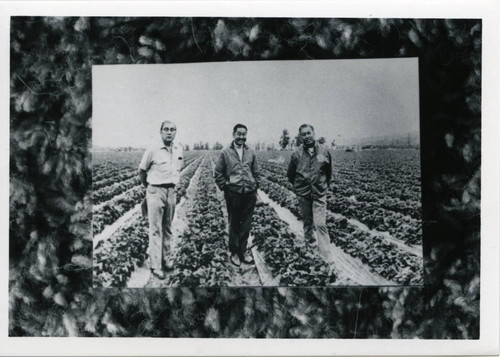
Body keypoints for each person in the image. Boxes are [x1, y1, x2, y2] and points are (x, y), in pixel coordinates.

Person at [138, 120, 183, 279]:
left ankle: (167, 260)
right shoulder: (153, 149)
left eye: (172, 129)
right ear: (161, 131)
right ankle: (156, 266)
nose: (169, 132)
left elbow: (177, 170)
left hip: (171, 191)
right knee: (156, 229)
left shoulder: (179, 149)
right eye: (166, 129)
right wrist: (149, 189)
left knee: (168, 227)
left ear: (175, 132)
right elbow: (142, 171)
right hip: (155, 190)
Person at [214, 123, 260, 267]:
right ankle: (234, 252)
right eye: (239, 134)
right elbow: (218, 173)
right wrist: (225, 187)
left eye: (244, 134)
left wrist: (254, 186)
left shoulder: (251, 152)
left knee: (246, 223)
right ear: (233, 134)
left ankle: (243, 251)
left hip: (249, 193)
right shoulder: (225, 152)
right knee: (234, 223)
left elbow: (256, 171)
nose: (241, 137)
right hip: (233, 193)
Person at [287, 124, 333, 251]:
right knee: (307, 223)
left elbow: (328, 171)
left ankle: (325, 255)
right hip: (304, 194)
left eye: (308, 133)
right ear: (300, 137)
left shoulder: (324, 151)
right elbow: (290, 174)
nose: (307, 136)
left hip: (319, 193)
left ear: (314, 133)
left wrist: (323, 186)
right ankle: (311, 250)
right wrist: (299, 188)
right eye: (303, 134)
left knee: (320, 224)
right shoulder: (296, 154)